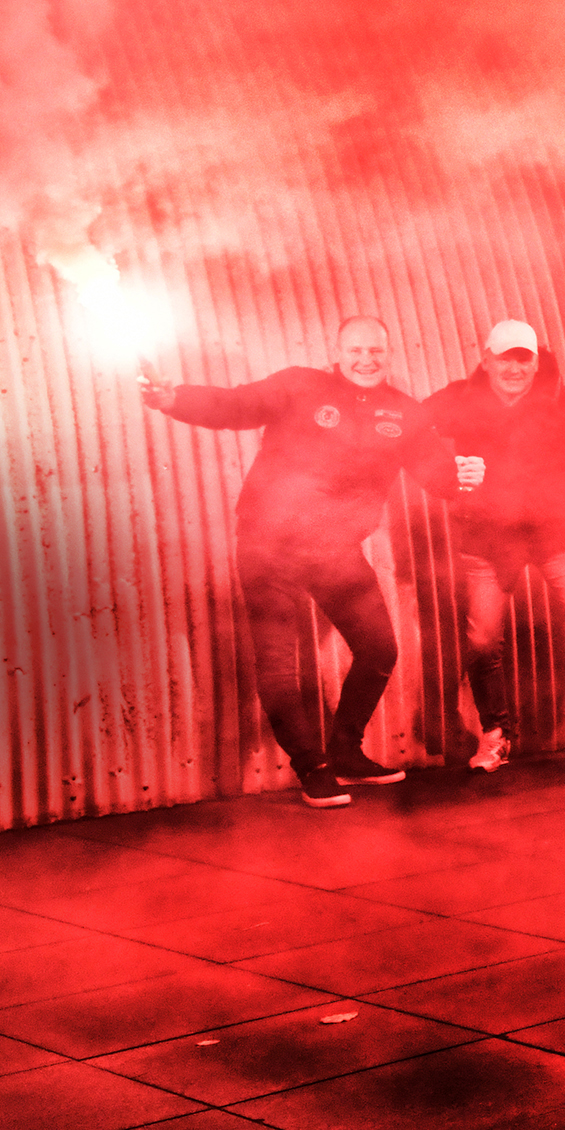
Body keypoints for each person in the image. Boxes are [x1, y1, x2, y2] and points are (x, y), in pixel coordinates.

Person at [144, 316, 459, 807]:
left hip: (335, 551)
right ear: (337, 351)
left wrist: (462, 478)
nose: (366, 359)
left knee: (379, 649)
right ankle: (312, 768)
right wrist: (175, 399)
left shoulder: (404, 412)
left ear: (389, 353)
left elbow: (435, 472)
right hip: (268, 547)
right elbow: (234, 405)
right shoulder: (300, 385)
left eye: (376, 350)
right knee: (278, 664)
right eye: (356, 350)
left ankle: (346, 753)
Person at [424, 319, 565, 785]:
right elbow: (410, 433)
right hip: (489, 537)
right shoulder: (459, 400)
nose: (515, 367)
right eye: (505, 358)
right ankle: (496, 733)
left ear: (536, 360)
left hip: (559, 533)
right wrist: (446, 473)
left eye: (524, 358)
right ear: (486, 360)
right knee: (482, 640)